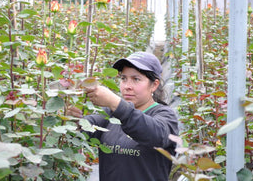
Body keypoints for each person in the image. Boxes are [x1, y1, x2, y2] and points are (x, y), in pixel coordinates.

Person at [69, 52, 179, 181]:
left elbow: (155, 134)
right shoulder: (109, 115)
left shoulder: (165, 116)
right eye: (123, 78)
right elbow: (85, 128)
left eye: (136, 79)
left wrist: (115, 103)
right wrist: (73, 120)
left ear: (154, 85)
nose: (127, 86)